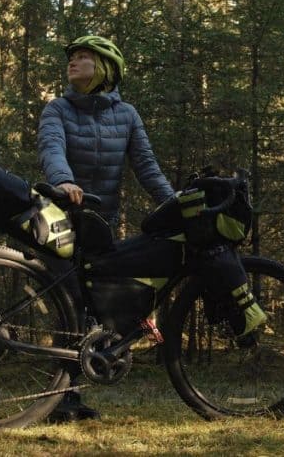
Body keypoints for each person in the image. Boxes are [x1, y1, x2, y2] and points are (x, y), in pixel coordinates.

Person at [37, 35, 174, 422]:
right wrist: (63, 181)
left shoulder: (127, 115)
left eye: (83, 57)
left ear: (106, 70)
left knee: (95, 311)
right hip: (60, 216)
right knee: (69, 302)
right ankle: (60, 398)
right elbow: (51, 148)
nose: (73, 62)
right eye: (72, 58)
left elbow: (147, 168)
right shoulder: (58, 109)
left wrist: (176, 205)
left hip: (101, 223)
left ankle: (70, 396)